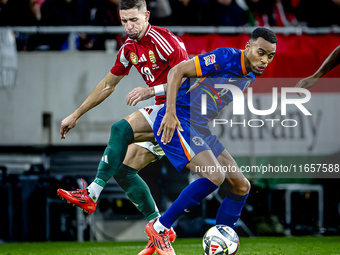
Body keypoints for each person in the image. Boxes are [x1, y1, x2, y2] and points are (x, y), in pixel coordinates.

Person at [56, 0, 188, 254]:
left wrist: (151, 90)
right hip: (162, 112)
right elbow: (107, 85)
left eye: (134, 20)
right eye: (124, 21)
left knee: (120, 129)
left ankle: (92, 193)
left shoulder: (164, 40)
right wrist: (76, 114)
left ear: (147, 15)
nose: (129, 26)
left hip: (181, 109)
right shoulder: (129, 48)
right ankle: (159, 231)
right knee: (123, 171)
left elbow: (187, 78)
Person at [144, 27, 277, 255]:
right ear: (248, 47)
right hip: (180, 121)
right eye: (261, 52)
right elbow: (177, 71)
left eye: (270, 56)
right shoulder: (225, 57)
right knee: (215, 176)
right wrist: (170, 113)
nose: (264, 60)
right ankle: (160, 227)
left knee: (241, 186)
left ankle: (218, 247)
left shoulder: (251, 73)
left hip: (200, 128)